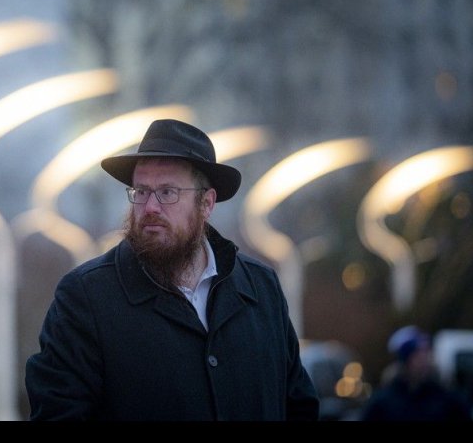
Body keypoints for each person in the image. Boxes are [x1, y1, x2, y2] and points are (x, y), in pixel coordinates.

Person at [25, 118, 320, 421]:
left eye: (167, 192)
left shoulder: (260, 288)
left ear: (206, 203)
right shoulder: (86, 298)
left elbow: (299, 406)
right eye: (141, 191)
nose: (150, 207)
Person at [359, 325, 473, 421]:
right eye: (417, 355)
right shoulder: (383, 403)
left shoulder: (448, 400)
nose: (424, 360)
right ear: (405, 362)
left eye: (426, 353)